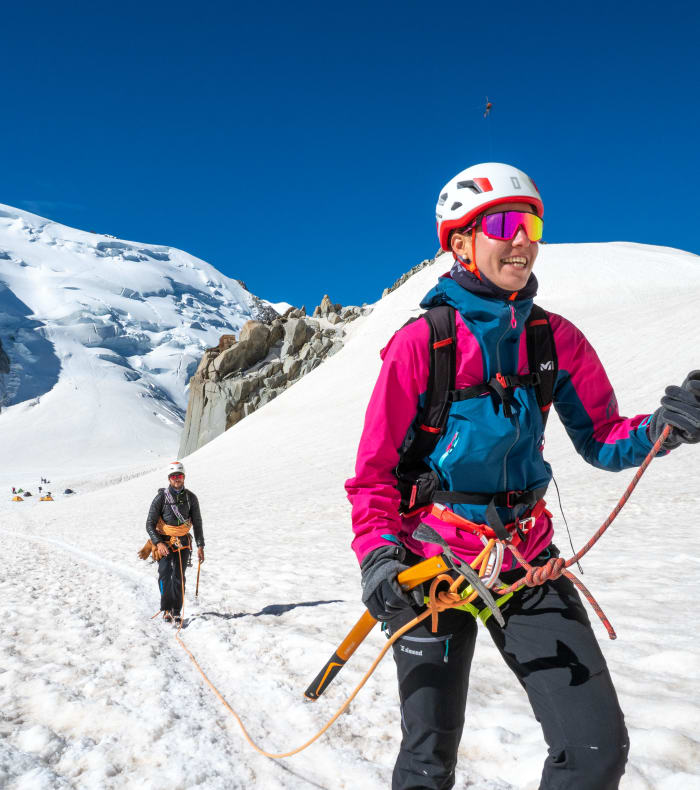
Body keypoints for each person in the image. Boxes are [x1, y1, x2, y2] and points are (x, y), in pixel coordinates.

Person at [345, 162, 700, 790]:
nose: (522, 240)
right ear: (460, 242)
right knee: (428, 758)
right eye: (503, 224)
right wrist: (378, 558)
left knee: (595, 751)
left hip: (525, 560)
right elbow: (374, 476)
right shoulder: (421, 344)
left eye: (530, 224)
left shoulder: (554, 339)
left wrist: (664, 428)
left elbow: (603, 438)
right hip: (431, 570)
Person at [144, 461, 205, 623]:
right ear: (169, 479)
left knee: (179, 576)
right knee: (165, 574)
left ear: (184, 477)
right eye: (173, 476)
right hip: (164, 542)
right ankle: (166, 609)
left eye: (179, 476)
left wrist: (200, 545)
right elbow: (149, 523)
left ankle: (176, 610)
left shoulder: (191, 498)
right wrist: (158, 543)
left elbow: (197, 522)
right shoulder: (161, 498)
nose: (176, 479)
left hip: (183, 542)